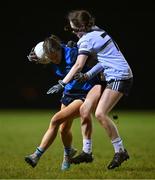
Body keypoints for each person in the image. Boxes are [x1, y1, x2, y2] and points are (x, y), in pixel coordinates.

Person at [50, 9, 133, 169]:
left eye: (74, 30)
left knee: (100, 113)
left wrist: (62, 83)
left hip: (119, 76)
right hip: (118, 73)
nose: (74, 33)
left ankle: (120, 151)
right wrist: (88, 75)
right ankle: (88, 152)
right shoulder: (97, 30)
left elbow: (78, 65)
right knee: (87, 110)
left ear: (82, 27)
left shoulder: (86, 40)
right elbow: (103, 60)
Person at [25, 34, 102, 170]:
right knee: (63, 129)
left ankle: (36, 155)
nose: (53, 60)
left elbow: (93, 57)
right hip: (68, 93)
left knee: (55, 120)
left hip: (84, 93)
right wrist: (38, 57)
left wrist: (90, 73)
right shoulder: (52, 54)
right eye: (50, 58)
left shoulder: (72, 53)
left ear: (59, 49)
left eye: (54, 56)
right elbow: (52, 51)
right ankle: (69, 154)